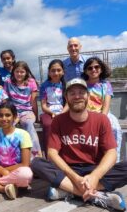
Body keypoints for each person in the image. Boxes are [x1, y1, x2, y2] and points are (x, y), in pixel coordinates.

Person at [31, 78, 127, 211]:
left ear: (88, 96)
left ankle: (68, 190)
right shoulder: (58, 121)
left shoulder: (101, 119)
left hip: (94, 168)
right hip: (69, 170)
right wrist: (75, 178)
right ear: (66, 97)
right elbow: (52, 153)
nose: (77, 97)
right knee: (36, 163)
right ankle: (97, 195)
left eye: (81, 92)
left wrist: (95, 176)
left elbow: (111, 152)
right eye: (72, 93)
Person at [81, 57, 122, 161]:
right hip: (87, 113)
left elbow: (106, 104)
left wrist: (101, 119)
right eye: (90, 68)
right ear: (86, 71)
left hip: (103, 113)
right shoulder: (82, 85)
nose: (93, 70)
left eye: (96, 67)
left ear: (101, 69)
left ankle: (114, 159)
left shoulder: (106, 85)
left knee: (114, 127)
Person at [3, 61, 42, 158]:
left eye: (22, 72)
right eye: (17, 71)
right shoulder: (8, 82)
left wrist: (36, 116)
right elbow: (5, 99)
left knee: (28, 124)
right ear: (13, 72)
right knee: (9, 125)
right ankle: (8, 155)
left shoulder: (31, 82)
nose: (19, 74)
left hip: (27, 111)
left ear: (26, 72)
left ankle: (35, 155)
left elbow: (33, 101)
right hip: (13, 112)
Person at [39, 59, 68, 156]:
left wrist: (61, 113)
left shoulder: (65, 85)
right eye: (53, 70)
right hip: (49, 112)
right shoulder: (44, 86)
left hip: (63, 111)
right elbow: (43, 105)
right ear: (49, 72)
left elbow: (68, 104)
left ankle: (65, 154)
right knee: (48, 125)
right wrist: (52, 113)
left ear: (63, 71)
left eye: (58, 70)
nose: (56, 73)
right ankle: (49, 154)